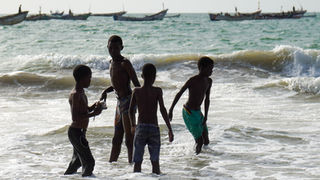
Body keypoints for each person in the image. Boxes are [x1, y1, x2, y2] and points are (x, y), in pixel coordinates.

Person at [129, 63, 174, 174]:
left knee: (138, 163)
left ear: (142, 76)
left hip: (141, 128)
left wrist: (132, 125)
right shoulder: (157, 91)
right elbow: (162, 110)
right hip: (154, 128)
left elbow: (130, 110)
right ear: (154, 77)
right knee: (155, 163)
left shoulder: (136, 91)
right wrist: (169, 128)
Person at [102, 35, 140, 163]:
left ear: (121, 48)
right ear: (107, 47)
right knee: (116, 138)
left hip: (128, 102)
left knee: (129, 138)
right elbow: (117, 83)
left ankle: (132, 166)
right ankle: (111, 164)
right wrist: (106, 91)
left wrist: (140, 103)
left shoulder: (125, 63)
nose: (113, 51)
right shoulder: (111, 63)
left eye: (116, 48)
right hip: (119, 103)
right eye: (111, 48)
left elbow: (136, 84)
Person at [169, 56, 214, 154]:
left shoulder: (209, 81)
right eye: (210, 68)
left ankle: (205, 159)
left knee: (206, 140)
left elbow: (207, 99)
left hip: (198, 113)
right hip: (189, 112)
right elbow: (179, 93)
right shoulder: (193, 80)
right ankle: (196, 161)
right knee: (200, 141)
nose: (212, 71)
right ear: (202, 68)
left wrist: (206, 116)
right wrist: (171, 110)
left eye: (212, 69)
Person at [64, 64, 103, 177]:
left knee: (76, 162)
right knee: (89, 162)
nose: (90, 80)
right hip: (76, 132)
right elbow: (76, 117)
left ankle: (66, 177)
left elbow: (83, 110)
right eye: (89, 77)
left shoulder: (81, 92)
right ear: (82, 79)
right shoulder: (76, 94)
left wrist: (93, 107)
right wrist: (93, 114)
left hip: (79, 132)